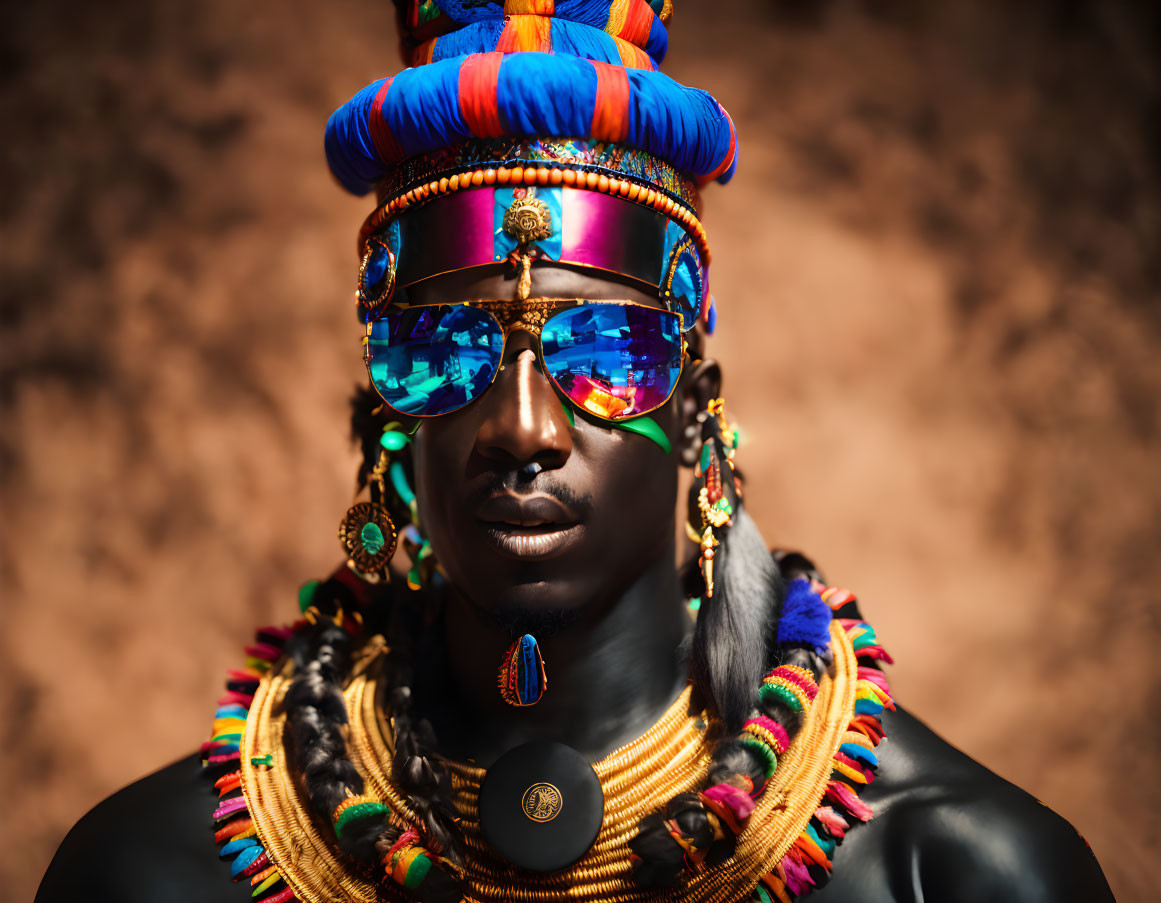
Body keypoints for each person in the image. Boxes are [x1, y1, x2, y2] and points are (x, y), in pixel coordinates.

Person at [37, 3, 1113, 901]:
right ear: (388, 416)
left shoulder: (953, 875)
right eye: (444, 347)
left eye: (603, 348)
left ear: (695, 412)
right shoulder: (152, 873)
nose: (524, 430)